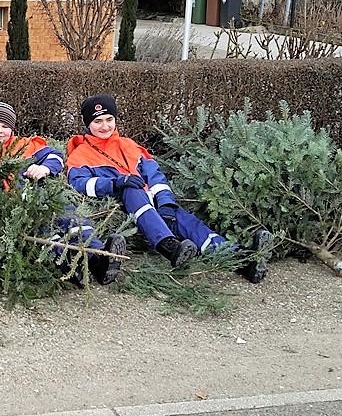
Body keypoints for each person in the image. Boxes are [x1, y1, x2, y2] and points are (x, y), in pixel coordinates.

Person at [65, 95, 271, 282]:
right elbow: (78, 183)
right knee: (133, 190)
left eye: (109, 119)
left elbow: (154, 175)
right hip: (120, 206)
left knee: (187, 222)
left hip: (150, 205)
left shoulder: (128, 145)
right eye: (98, 121)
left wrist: (165, 203)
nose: (105, 126)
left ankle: (242, 259)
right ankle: (168, 246)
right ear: (88, 124)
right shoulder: (81, 154)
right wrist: (113, 183)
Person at [0, 102, 127, 285]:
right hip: (13, 207)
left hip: (41, 195)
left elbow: (56, 156)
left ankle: (99, 258)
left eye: (5, 126)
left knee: (70, 216)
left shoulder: (24, 145)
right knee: (45, 231)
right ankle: (70, 266)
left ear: (12, 129)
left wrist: (44, 168)